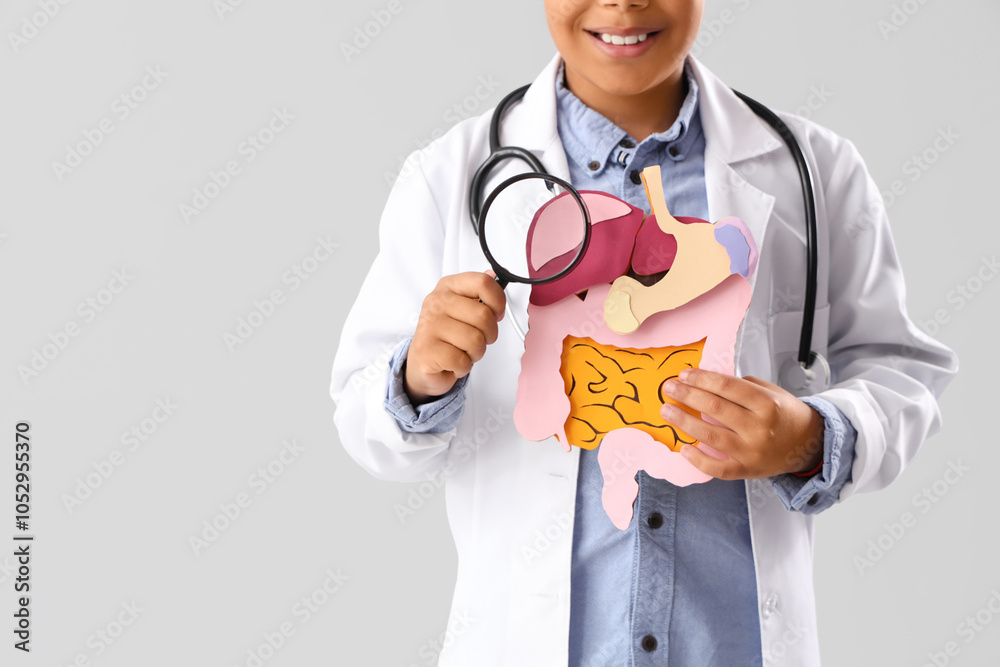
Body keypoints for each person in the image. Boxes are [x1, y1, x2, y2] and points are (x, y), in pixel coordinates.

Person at [330, 0, 958, 664]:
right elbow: (362, 415)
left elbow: (902, 371)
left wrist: (809, 436)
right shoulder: (446, 179)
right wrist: (415, 378)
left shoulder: (817, 171)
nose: (623, 3)